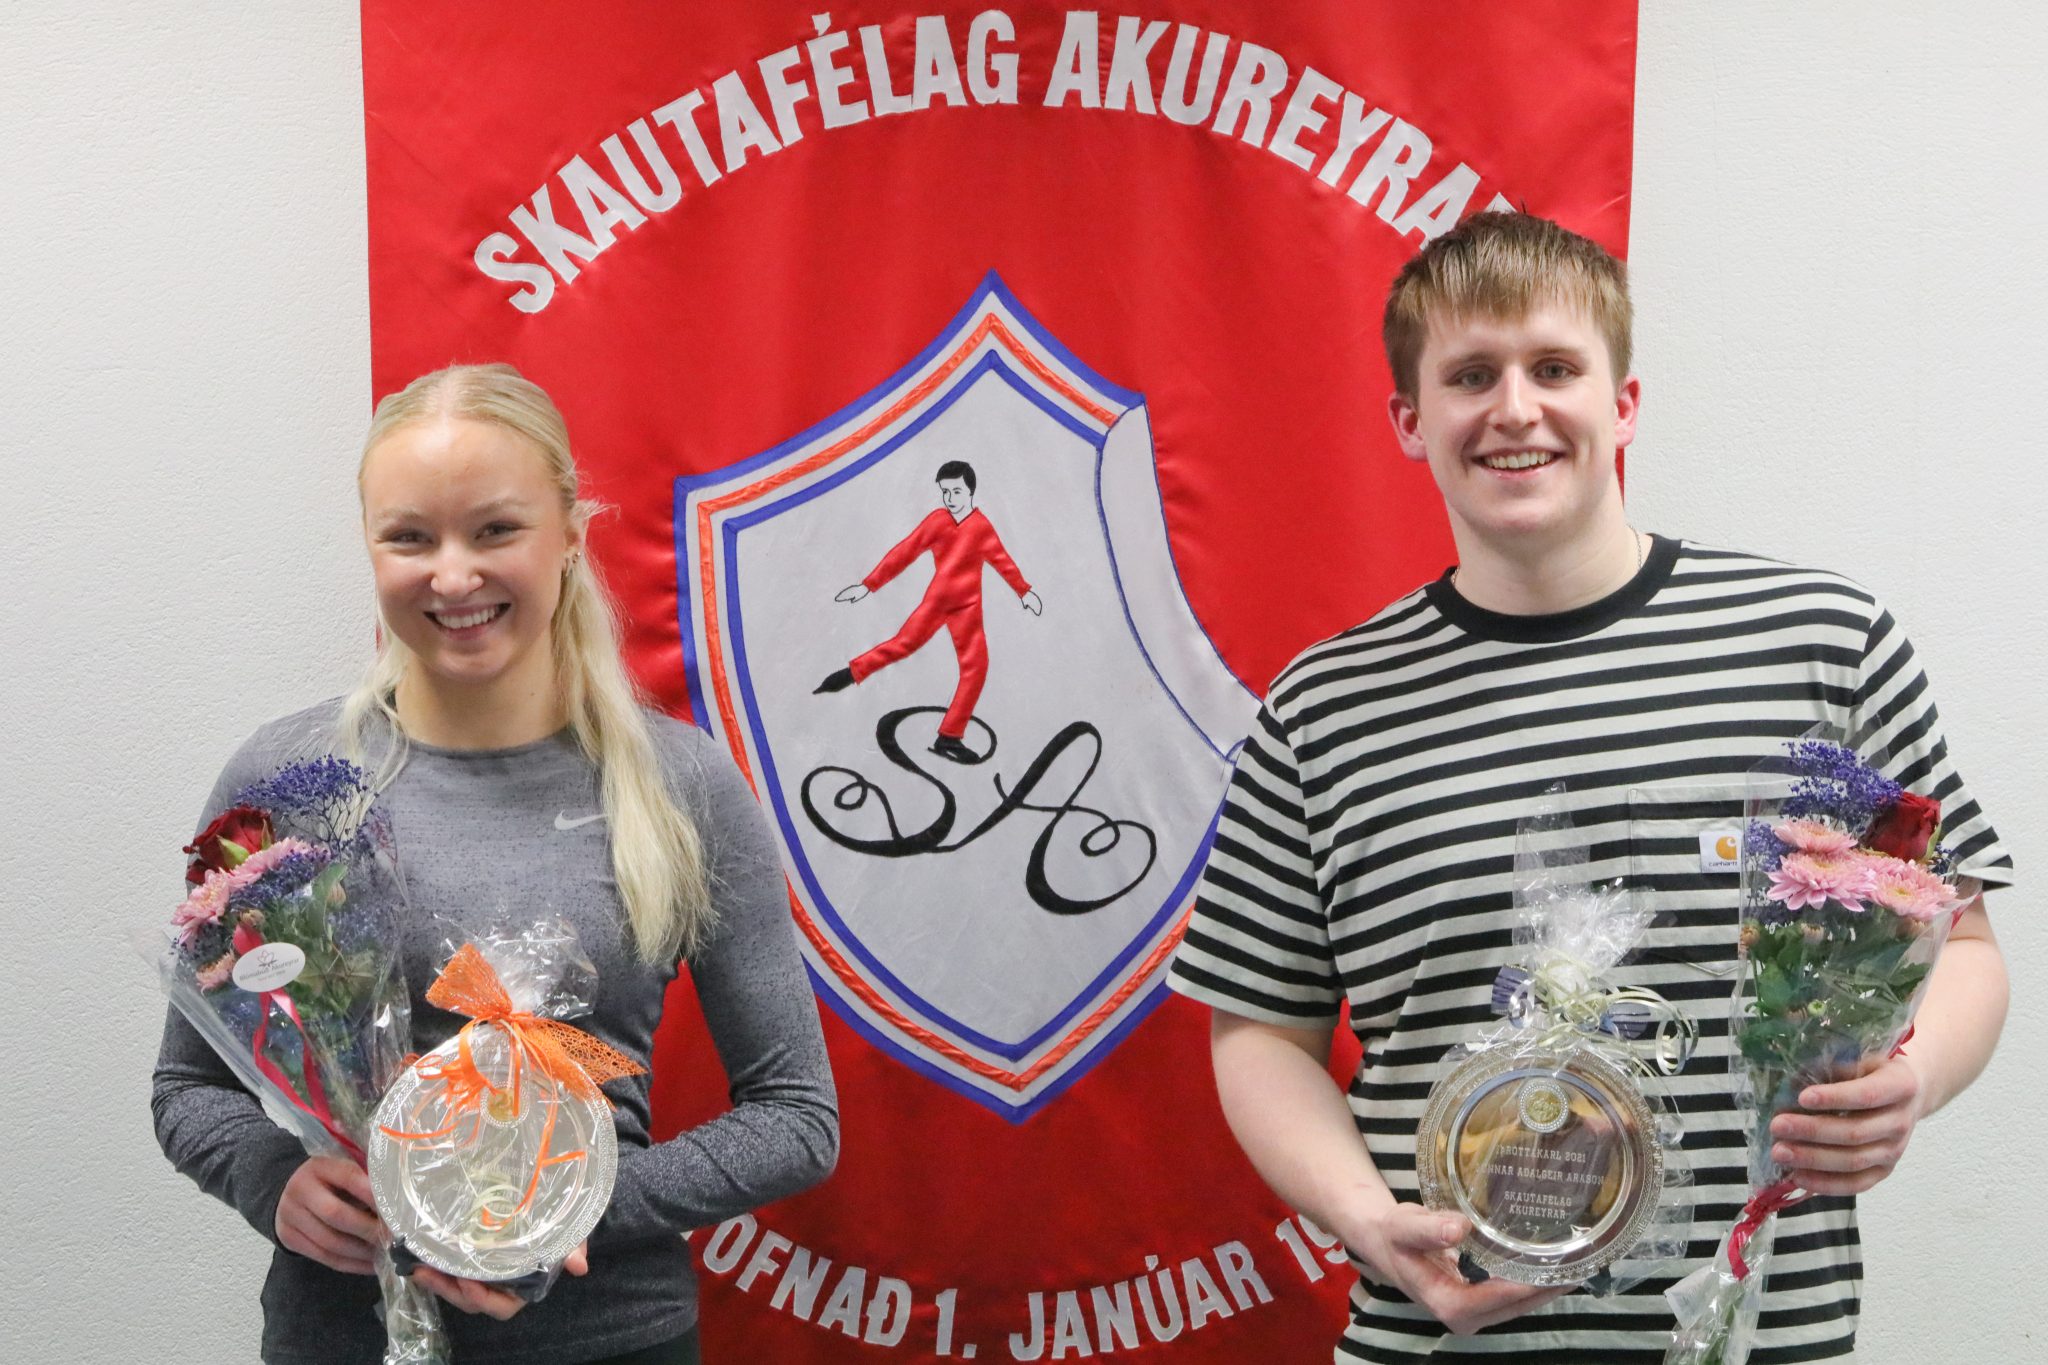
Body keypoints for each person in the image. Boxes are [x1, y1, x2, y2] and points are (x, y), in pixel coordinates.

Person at [1166, 212, 2012, 1361]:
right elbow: (1259, 1031)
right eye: (1470, 375)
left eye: (1553, 368)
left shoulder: (1822, 644)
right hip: (1437, 1339)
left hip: (1762, 1336)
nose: (1514, 409)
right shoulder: (1321, 708)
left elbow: (1961, 943)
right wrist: (1366, 1223)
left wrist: (1910, 1082)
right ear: (1408, 421)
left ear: (1621, 404)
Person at [152, 363, 839, 1365]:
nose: (453, 576)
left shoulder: (680, 785)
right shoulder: (288, 784)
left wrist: (555, 1211)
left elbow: (796, 1118)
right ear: (369, 546)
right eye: (409, 537)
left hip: (612, 1342)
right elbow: (188, 1086)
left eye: (495, 530)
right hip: (339, 1338)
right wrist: (272, 1181)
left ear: (571, 535)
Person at [815, 459, 1042, 761]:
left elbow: (1003, 561)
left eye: (956, 492)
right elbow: (905, 551)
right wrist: (868, 585)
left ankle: (949, 737)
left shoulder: (981, 527)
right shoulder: (937, 521)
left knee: (976, 668)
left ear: (970, 492)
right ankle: (851, 673)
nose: (950, 499)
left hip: (968, 608)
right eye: (945, 492)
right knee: (902, 644)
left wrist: (1024, 591)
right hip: (937, 603)